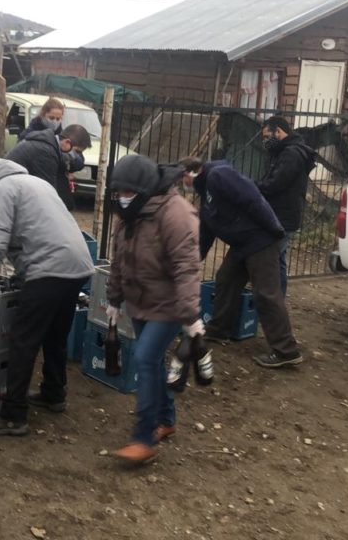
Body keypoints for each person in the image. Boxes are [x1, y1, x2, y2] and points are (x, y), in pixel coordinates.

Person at [0, 157, 95, 436]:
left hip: (50, 269)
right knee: (55, 335)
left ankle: (13, 415)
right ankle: (54, 393)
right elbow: (37, 232)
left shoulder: (0, 189)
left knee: (23, 340)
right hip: (77, 265)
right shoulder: (35, 182)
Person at [106, 155, 207, 464]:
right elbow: (119, 257)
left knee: (145, 358)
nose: (122, 199)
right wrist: (113, 298)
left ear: (144, 189)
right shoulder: (130, 213)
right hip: (139, 300)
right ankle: (166, 419)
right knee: (153, 362)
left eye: (128, 193)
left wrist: (190, 316)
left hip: (169, 304)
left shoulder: (176, 215)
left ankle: (144, 438)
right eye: (118, 193)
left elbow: (187, 268)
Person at [184, 158, 304, 369]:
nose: (182, 182)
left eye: (182, 176)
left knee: (266, 293)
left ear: (192, 172)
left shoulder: (218, 175)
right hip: (243, 244)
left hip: (261, 239)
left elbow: (252, 198)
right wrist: (193, 261)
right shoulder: (207, 195)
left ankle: (286, 350)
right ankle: (219, 329)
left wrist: (273, 228)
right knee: (226, 279)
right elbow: (206, 234)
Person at [255, 116, 317, 295]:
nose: (265, 141)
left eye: (267, 136)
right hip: (283, 215)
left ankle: (271, 302)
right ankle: (278, 300)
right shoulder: (284, 151)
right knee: (278, 260)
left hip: (283, 217)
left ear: (279, 132)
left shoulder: (291, 154)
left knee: (269, 260)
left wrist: (253, 185)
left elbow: (276, 184)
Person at [6, 124, 91, 210]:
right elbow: (47, 193)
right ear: (66, 142)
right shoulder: (46, 152)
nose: (76, 156)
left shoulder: (47, 146)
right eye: (77, 151)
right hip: (10, 195)